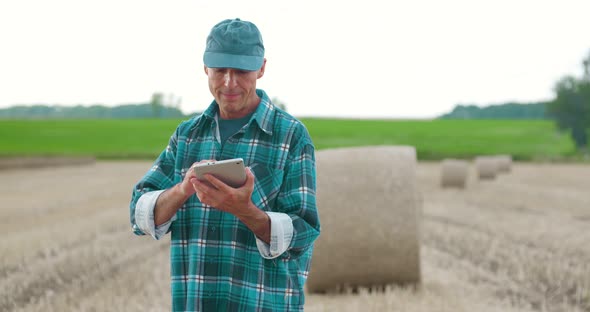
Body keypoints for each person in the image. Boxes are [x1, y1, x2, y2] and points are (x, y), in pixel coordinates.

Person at [129, 18, 320, 311]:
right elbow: (139, 214)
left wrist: (244, 211)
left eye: (241, 71)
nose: (229, 82)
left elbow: (303, 234)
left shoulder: (291, 136)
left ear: (262, 68)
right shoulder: (187, 136)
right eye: (220, 70)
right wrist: (183, 190)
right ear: (206, 68)